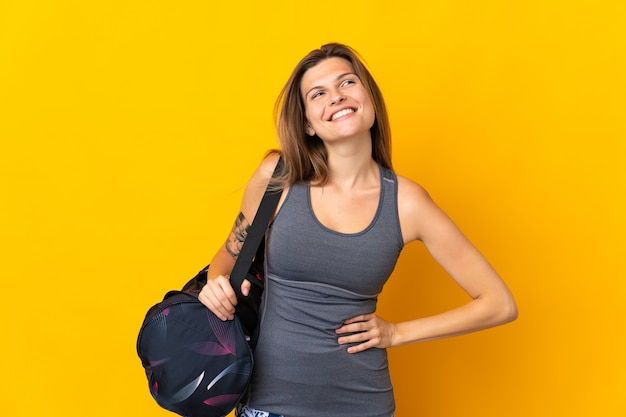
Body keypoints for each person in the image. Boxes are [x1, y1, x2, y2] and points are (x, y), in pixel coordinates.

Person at [198, 43, 518, 417]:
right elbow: (223, 264)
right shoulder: (278, 176)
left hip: (363, 405)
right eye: (318, 94)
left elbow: (500, 303)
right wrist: (215, 287)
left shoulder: (407, 203)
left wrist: (396, 333)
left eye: (347, 83)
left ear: (368, 98)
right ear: (307, 123)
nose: (336, 97)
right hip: (269, 405)